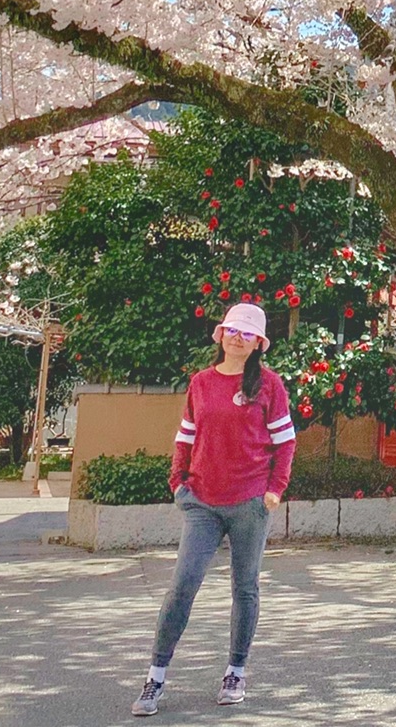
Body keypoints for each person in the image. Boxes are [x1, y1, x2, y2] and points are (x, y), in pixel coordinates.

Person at [132, 301, 295, 715]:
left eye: (247, 334)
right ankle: (155, 677)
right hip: (202, 502)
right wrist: (179, 483)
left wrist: (274, 489)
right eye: (232, 331)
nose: (238, 338)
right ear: (220, 335)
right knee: (182, 586)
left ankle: (236, 670)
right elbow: (185, 437)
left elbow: (285, 441)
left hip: (250, 503)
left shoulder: (269, 385)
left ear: (259, 344)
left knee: (246, 588)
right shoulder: (201, 383)